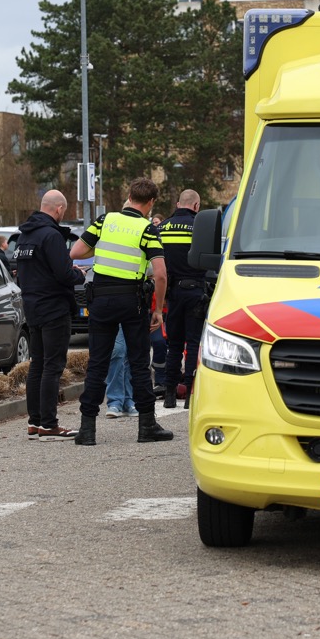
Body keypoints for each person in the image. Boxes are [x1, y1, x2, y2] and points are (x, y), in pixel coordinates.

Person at [69, 178, 173, 446]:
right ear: (150, 203)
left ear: (128, 196)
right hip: (132, 302)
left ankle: (87, 429)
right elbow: (160, 274)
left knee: (98, 364)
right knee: (139, 363)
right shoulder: (147, 228)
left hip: (100, 300)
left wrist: (100, 246)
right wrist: (159, 310)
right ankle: (147, 426)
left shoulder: (105, 221)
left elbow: (76, 252)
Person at [14, 191, 85, 440]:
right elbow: (64, 274)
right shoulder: (52, 236)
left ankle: (35, 422)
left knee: (38, 365)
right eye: (63, 210)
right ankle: (49, 423)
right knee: (53, 366)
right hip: (54, 308)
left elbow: (24, 274)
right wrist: (79, 274)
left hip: (32, 307)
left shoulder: (24, 236)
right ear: (58, 209)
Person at [159, 189, 204, 409]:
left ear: (178, 204)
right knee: (193, 342)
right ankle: (190, 396)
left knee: (174, 345)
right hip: (196, 292)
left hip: (172, 294)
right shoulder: (200, 227)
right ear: (196, 206)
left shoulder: (162, 227)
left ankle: (169, 394)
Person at [105, 327, 137, 419]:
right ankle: (115, 401)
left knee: (132, 353)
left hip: (134, 314)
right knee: (118, 351)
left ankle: (129, 400)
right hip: (116, 314)